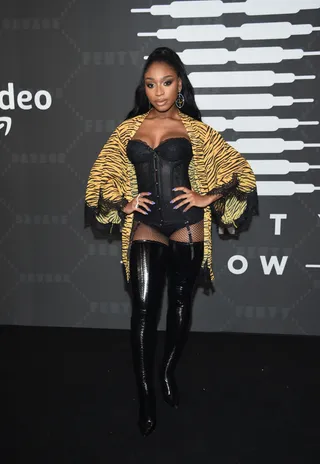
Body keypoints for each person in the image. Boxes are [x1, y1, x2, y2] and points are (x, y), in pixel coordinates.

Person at [84, 47, 259, 437]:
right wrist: (122, 200)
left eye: (166, 83)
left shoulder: (196, 130)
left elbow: (238, 171)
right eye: (150, 84)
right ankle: (146, 394)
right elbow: (103, 174)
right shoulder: (128, 130)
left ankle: (166, 372)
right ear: (143, 88)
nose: (158, 92)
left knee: (180, 303)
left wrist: (206, 196)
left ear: (179, 84)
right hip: (146, 223)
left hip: (187, 224)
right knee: (143, 311)